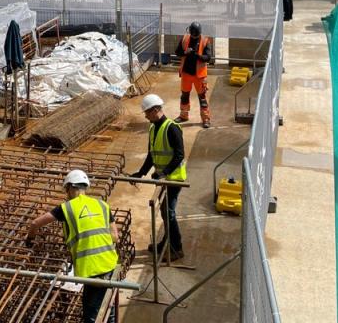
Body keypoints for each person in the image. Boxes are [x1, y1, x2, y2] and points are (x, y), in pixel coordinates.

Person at [26, 170, 119, 323]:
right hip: (110, 263)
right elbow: (115, 236)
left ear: (69, 187)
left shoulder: (66, 208)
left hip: (92, 268)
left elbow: (35, 223)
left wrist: (30, 239)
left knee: (91, 315)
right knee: (107, 306)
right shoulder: (102, 205)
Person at [130, 94, 186, 259]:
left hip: (174, 178)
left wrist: (163, 172)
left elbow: (179, 155)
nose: (145, 116)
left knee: (168, 212)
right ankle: (167, 242)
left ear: (155, 110)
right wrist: (141, 173)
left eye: (147, 112)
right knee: (164, 211)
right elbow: (151, 155)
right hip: (163, 178)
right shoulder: (153, 127)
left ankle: (177, 248)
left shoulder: (172, 127)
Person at [174, 21, 213, 128]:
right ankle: (183, 116)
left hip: (199, 76)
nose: (193, 36)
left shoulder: (205, 41)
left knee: (202, 98)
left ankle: (205, 119)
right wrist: (186, 52)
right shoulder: (185, 39)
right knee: (184, 96)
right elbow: (177, 52)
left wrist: (196, 55)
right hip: (186, 73)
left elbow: (208, 57)